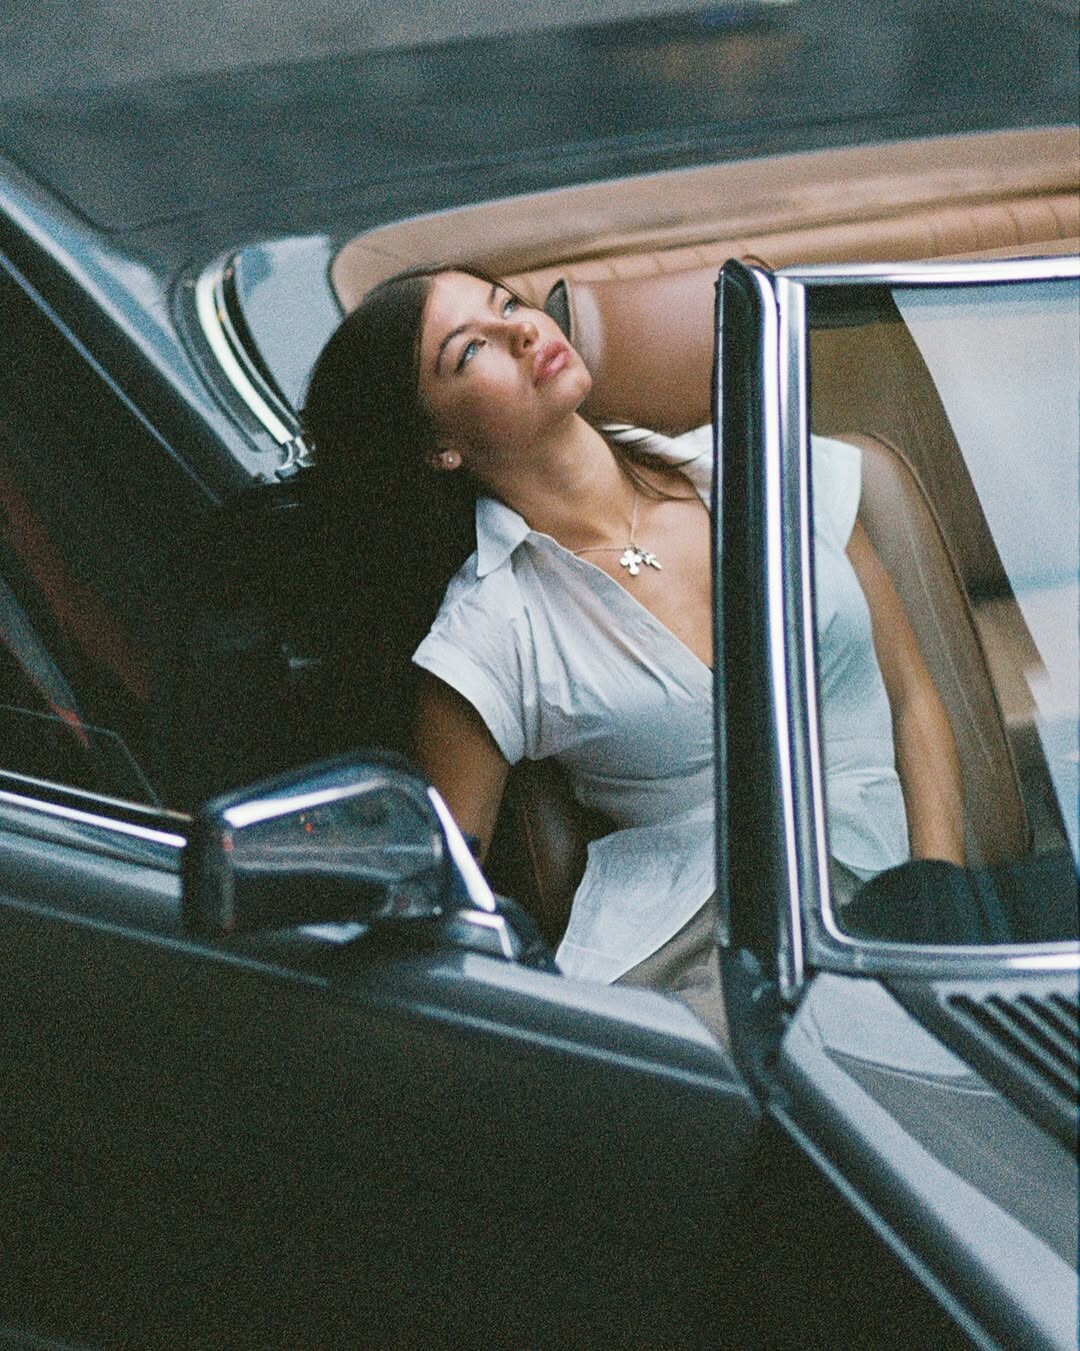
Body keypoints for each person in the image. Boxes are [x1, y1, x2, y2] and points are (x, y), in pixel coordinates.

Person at [302, 263, 965, 1044]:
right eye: (470, 350)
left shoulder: (772, 462)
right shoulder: (488, 630)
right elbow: (442, 893)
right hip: (717, 969)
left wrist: (940, 898)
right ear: (439, 446)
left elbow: (912, 697)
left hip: (915, 913)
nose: (521, 330)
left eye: (507, 304)